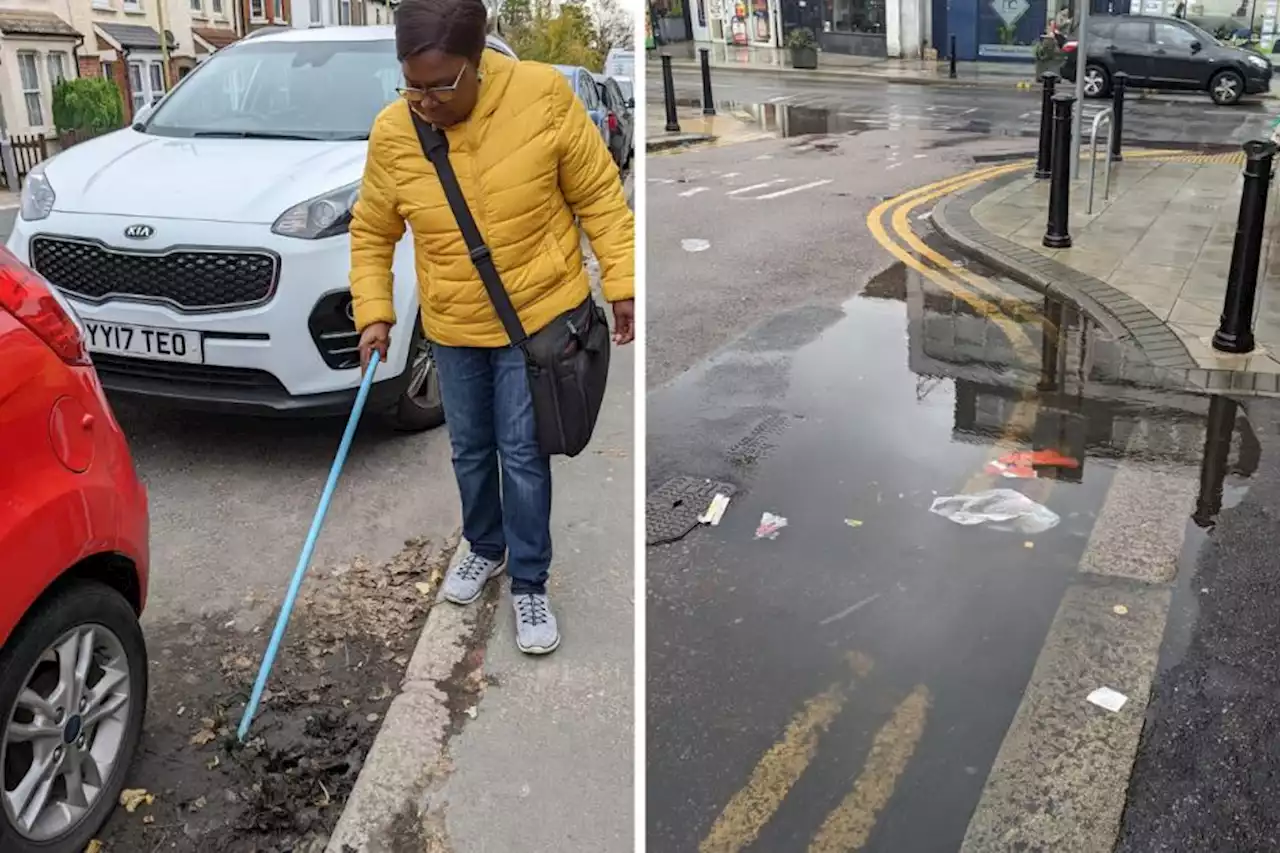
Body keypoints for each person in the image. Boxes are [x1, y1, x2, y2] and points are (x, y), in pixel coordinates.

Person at [349, 0, 634, 655]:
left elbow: (598, 196)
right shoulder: (395, 133)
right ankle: (484, 545)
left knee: (523, 454)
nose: (424, 100)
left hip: (534, 321)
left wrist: (620, 283)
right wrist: (375, 312)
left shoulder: (541, 97)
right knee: (470, 449)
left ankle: (529, 581)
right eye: (412, 85)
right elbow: (371, 231)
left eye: (441, 84)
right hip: (452, 326)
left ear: (479, 65)